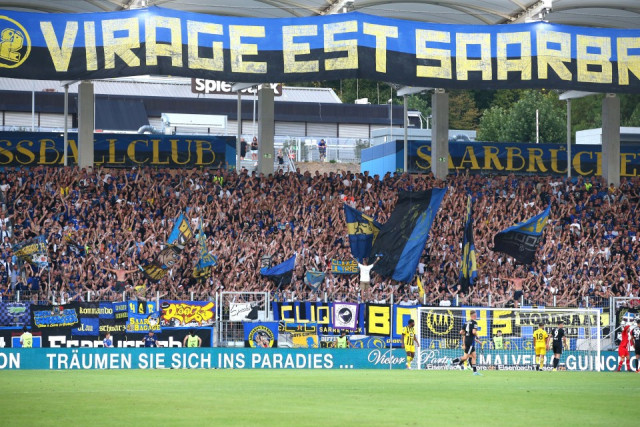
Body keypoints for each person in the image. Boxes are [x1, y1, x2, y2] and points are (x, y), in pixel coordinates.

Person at [451, 311, 480, 375]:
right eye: (475, 315)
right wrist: (477, 335)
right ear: (473, 316)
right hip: (470, 342)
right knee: (465, 357)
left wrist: (467, 334)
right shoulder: (474, 322)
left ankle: (475, 372)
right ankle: (452, 361)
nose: (476, 316)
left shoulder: (466, 322)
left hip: (467, 340)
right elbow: (474, 332)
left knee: (474, 356)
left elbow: (461, 332)